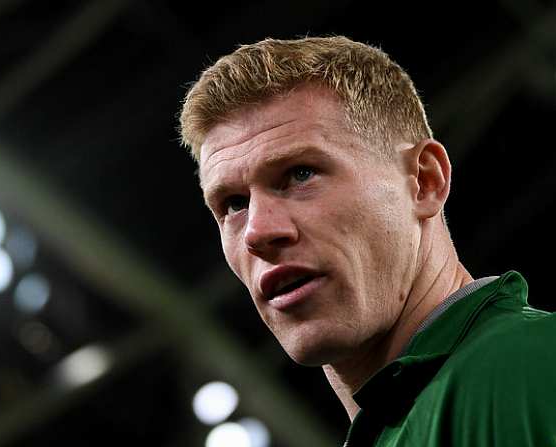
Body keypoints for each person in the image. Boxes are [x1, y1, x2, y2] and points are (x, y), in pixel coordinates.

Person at [178, 36, 556, 446]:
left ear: (424, 182)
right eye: (234, 204)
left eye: (300, 174)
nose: (257, 232)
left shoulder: (536, 367)